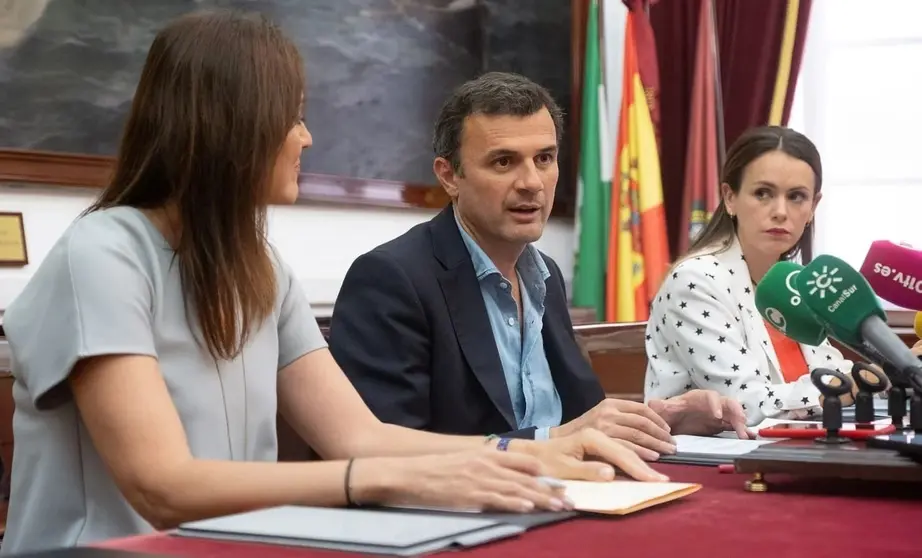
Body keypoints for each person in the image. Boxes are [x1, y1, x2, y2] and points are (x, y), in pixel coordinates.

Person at [0, 12, 668, 554]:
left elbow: (361, 436)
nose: (307, 137)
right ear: (231, 127)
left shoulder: (260, 267)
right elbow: (162, 487)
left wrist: (541, 449)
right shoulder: (102, 254)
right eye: (292, 115)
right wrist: (403, 479)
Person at [328, 72, 750, 464]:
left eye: (544, 158)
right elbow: (382, 452)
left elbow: (580, 419)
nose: (531, 182)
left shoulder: (542, 272)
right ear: (449, 176)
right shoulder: (391, 279)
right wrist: (550, 444)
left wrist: (661, 419)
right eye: (503, 162)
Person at [644, 126, 854, 426]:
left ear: (812, 208)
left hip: (798, 449)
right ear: (730, 197)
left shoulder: (795, 284)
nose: (780, 211)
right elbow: (749, 406)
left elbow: (834, 374)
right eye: (763, 194)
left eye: (796, 197)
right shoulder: (696, 281)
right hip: (707, 461)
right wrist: (859, 384)